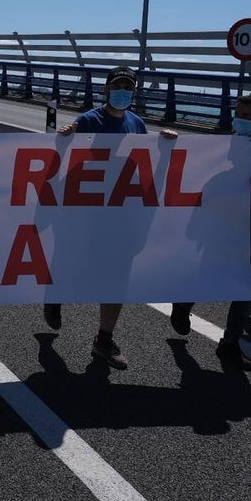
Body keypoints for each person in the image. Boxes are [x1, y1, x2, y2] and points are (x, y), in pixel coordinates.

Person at [43, 66, 177, 370]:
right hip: (87, 211)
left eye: (129, 86)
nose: (123, 91)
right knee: (73, 262)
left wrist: (165, 143)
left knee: (117, 276)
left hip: (121, 213)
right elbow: (64, 154)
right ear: (106, 89)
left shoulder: (137, 124)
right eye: (118, 85)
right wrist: (65, 136)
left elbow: (145, 160)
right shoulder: (90, 120)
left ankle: (104, 338)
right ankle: (55, 293)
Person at [171, 94, 251, 369]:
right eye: (238, 113)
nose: (240, 119)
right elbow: (200, 176)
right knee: (207, 272)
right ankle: (184, 303)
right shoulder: (222, 146)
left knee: (247, 286)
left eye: (247, 115)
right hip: (223, 226)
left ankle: (230, 344)